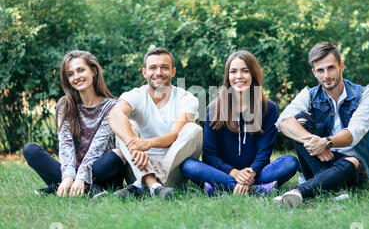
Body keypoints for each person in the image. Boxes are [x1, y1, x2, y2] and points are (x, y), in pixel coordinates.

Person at [274, 41, 369, 208]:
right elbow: (283, 122)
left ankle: (300, 191)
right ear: (314, 72)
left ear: (341, 67)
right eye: (320, 70)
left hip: (353, 167)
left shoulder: (365, 95)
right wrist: (315, 142)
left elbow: (353, 134)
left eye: (331, 68)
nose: (326, 75)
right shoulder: (309, 94)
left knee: (352, 161)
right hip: (318, 156)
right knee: (299, 120)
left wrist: (326, 142)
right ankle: (331, 187)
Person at [181, 50, 299, 196]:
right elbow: (209, 155)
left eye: (245, 71)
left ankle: (221, 189)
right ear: (227, 76)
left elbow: (264, 152)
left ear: (253, 75)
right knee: (189, 166)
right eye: (233, 71)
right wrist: (234, 173)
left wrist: (252, 172)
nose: (239, 76)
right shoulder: (213, 109)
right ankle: (254, 190)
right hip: (224, 172)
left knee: (290, 162)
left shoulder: (268, 108)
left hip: (256, 173)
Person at [23, 50, 126, 198]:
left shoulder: (112, 106)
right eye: (70, 74)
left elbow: (97, 148)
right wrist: (68, 177)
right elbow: (66, 146)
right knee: (30, 150)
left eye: (81, 70)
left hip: (103, 170)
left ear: (94, 71)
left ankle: (61, 187)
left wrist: (81, 178)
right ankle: (87, 189)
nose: (76, 77)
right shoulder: (66, 105)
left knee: (117, 155)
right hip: (74, 170)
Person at [108, 47, 202, 199]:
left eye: (164, 67)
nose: (158, 72)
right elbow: (114, 116)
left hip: (172, 171)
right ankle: (153, 185)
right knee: (126, 126)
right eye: (153, 68)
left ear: (173, 72)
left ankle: (143, 185)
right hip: (139, 166)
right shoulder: (135, 95)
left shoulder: (187, 99)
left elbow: (174, 135)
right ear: (144, 72)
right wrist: (133, 143)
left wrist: (147, 143)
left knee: (193, 129)